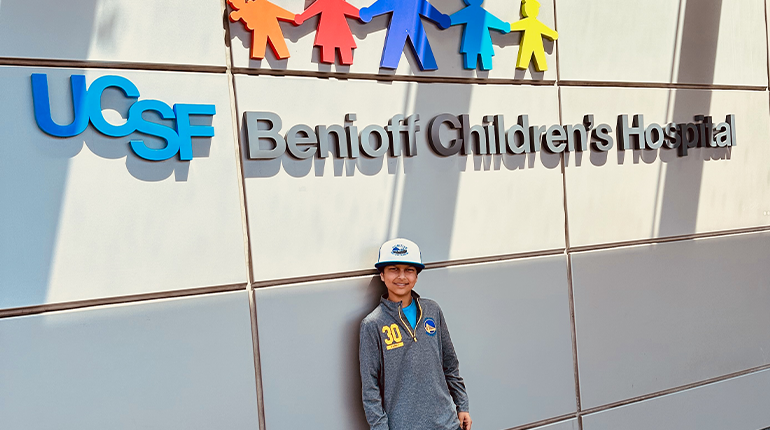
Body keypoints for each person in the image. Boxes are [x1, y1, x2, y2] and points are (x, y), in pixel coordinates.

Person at [359, 238, 471, 430]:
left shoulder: (432, 310)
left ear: (416, 276)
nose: (401, 276)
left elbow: (450, 363)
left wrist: (462, 404)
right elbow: (370, 389)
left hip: (446, 423)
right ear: (382, 275)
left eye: (409, 270)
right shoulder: (372, 324)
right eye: (393, 269)